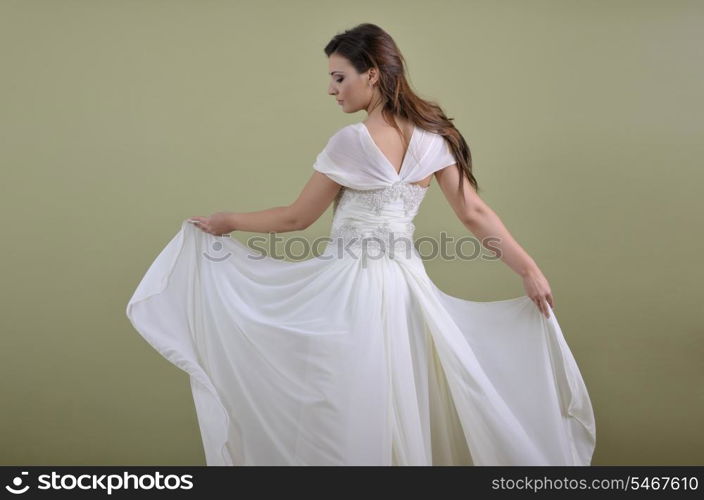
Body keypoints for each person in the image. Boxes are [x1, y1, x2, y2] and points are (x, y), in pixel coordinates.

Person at [126, 23, 596, 466]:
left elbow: (296, 218)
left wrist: (227, 220)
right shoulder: (435, 140)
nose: (332, 89)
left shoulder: (351, 142)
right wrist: (528, 269)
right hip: (406, 290)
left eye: (339, 77)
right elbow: (475, 214)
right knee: (391, 402)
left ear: (371, 74)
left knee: (337, 408)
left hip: (348, 289)